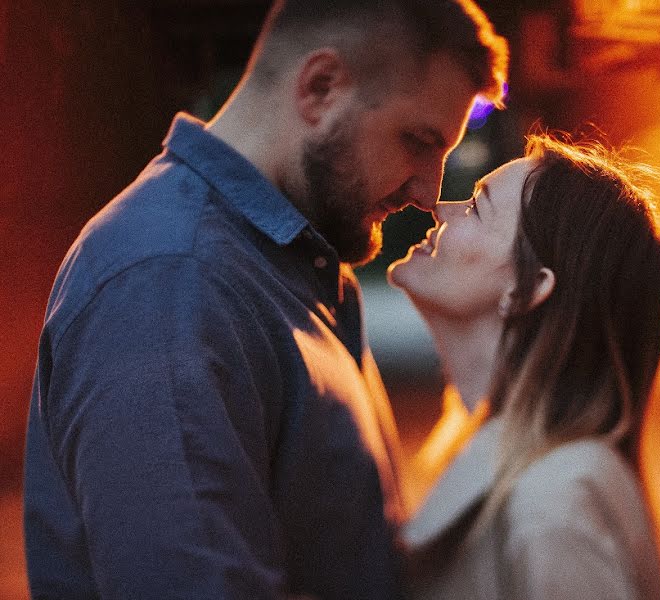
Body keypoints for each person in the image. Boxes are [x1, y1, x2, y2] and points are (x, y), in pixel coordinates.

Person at [22, 1, 507, 598]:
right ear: (321, 87)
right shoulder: (171, 282)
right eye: (417, 141)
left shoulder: (294, 259)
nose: (428, 190)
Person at [389, 132, 660, 599]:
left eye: (477, 208)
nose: (440, 209)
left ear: (526, 290)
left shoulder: (557, 503)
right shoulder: (525, 462)